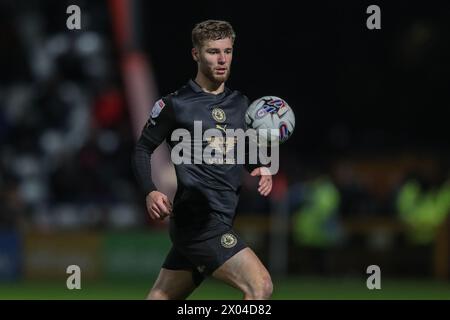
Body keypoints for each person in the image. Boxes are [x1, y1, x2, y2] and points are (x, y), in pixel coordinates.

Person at [133, 20, 273, 300]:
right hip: (199, 223)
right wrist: (150, 190)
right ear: (196, 54)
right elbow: (142, 149)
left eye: (228, 51)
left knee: (161, 296)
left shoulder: (240, 103)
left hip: (220, 218)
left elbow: (239, 147)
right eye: (213, 52)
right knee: (260, 287)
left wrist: (257, 165)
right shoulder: (176, 104)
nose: (222, 59)